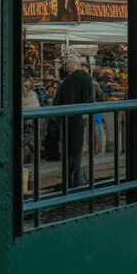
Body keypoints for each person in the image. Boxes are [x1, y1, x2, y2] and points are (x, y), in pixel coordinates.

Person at [53, 54, 102, 188]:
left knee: (70, 151)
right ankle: (77, 181)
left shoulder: (67, 82)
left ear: (72, 64)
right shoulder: (86, 77)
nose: (64, 66)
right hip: (79, 117)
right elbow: (92, 98)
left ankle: (72, 181)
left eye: (66, 63)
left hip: (69, 119)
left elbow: (58, 102)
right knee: (76, 150)